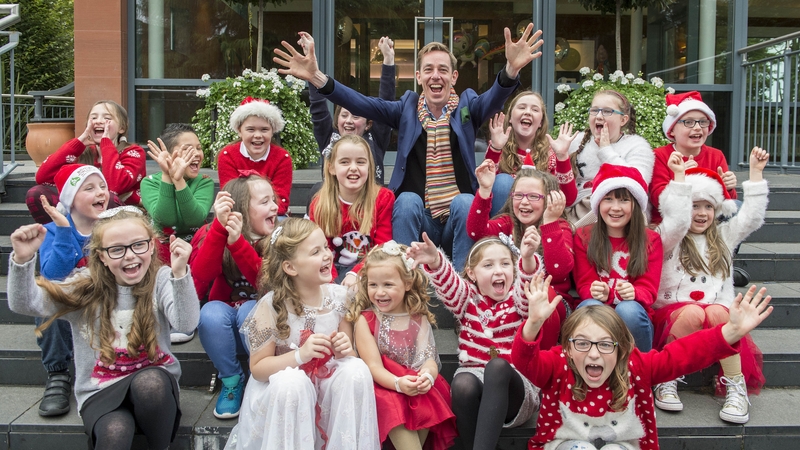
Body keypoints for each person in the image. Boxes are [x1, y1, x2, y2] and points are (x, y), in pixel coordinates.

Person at [273, 27, 544, 271]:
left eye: (442, 69)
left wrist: (510, 70)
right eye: (428, 69)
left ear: (454, 76)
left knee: (464, 201)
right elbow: (360, 103)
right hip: (418, 218)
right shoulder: (405, 109)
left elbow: (495, 97)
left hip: (456, 221)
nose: (435, 76)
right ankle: (402, 277)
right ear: (418, 76)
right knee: (406, 200)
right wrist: (317, 78)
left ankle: (464, 284)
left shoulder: (467, 107)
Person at [7, 206, 199, 450]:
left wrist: (180, 273)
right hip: (100, 392)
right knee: (114, 430)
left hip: (154, 392)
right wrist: (23, 260)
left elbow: (186, 323)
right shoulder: (85, 285)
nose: (130, 255)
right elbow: (26, 304)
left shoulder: (161, 279)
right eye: (117, 249)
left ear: (151, 245)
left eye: (138, 245)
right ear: (101, 256)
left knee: (150, 383)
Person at [511, 274, 772, 450]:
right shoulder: (558, 365)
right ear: (567, 348)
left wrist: (731, 332)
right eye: (582, 343)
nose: (593, 354)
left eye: (605, 344)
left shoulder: (637, 366)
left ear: (622, 349)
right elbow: (525, 363)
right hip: (565, 443)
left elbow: (685, 354)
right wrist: (533, 324)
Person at [225, 218, 379, 449]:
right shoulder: (272, 306)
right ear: (291, 267)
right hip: (285, 394)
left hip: (327, 387)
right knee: (292, 382)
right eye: (316, 251)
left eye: (326, 247)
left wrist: (345, 349)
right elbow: (258, 369)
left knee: (355, 369)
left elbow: (347, 354)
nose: (327, 255)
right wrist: (299, 356)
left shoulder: (339, 298)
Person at [652, 147, 770, 424]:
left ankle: (734, 386)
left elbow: (751, 217)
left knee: (721, 313)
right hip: (674, 315)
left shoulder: (724, 236)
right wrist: (679, 180)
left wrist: (755, 174)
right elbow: (678, 218)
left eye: (708, 206)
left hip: (714, 315)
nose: (702, 213)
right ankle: (668, 377)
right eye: (695, 205)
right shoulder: (669, 237)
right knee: (694, 312)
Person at [406, 231, 551, 450]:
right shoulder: (468, 299)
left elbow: (526, 286)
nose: (499, 270)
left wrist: (528, 258)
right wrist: (436, 261)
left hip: (515, 387)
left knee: (497, 366)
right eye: (488, 265)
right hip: (476, 381)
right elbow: (449, 285)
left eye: (505, 264)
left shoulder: (518, 299)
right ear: (471, 273)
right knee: (463, 383)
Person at [348, 240, 458, 450]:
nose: (379, 292)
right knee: (394, 409)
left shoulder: (418, 318)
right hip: (383, 387)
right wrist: (398, 384)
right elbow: (373, 367)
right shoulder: (367, 320)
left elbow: (427, 358)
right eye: (373, 285)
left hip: (415, 386)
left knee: (428, 395)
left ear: (407, 284)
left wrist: (427, 375)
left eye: (388, 285)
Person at [189, 175, 279, 419]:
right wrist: (219, 229)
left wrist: (238, 243)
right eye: (265, 202)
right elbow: (201, 274)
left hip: (265, 334)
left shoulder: (279, 238)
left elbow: (266, 283)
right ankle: (231, 379)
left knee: (251, 306)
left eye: (274, 200)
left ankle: (260, 376)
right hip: (225, 333)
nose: (275, 207)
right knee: (210, 312)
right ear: (240, 209)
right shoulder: (211, 233)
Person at [34, 164, 109, 417]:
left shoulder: (112, 226)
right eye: (89, 188)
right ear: (71, 199)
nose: (100, 193)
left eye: (103, 186)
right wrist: (65, 231)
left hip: (106, 301)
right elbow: (53, 275)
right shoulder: (53, 231)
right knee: (48, 301)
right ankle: (58, 374)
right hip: (71, 301)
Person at [572, 164, 662, 351]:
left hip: (634, 314)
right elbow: (584, 285)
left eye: (623, 200)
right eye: (608, 199)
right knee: (589, 307)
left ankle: (641, 368)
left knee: (627, 309)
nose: (615, 208)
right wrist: (596, 291)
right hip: (599, 307)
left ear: (635, 204)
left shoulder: (651, 240)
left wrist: (635, 293)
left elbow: (649, 289)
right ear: (598, 203)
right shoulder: (583, 236)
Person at [468, 161, 575, 307]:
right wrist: (485, 190)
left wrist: (550, 223)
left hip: (550, 301)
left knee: (540, 297)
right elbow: (477, 232)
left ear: (550, 200)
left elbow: (559, 271)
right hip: (511, 301)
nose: (524, 202)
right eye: (518, 195)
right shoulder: (508, 222)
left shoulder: (560, 227)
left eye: (533, 196)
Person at [27, 100, 146, 224]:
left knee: (107, 197)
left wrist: (106, 144)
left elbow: (115, 187)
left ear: (121, 128)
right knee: (36, 193)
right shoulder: (83, 152)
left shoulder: (133, 152)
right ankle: (61, 235)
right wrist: (76, 145)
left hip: (122, 215)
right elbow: (43, 177)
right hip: (82, 212)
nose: (99, 121)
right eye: (94, 117)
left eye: (107, 118)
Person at [308, 34, 395, 186]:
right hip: (335, 206)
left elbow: (386, 103)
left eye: (355, 116)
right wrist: (311, 74)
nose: (348, 121)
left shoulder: (376, 139)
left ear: (368, 124)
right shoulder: (329, 138)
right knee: (317, 189)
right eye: (344, 115)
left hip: (370, 206)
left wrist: (388, 59)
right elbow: (318, 109)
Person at [308, 134, 394, 286]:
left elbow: (382, 246)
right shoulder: (320, 204)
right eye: (344, 162)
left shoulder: (383, 198)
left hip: (372, 266)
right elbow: (320, 252)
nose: (353, 168)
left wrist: (357, 273)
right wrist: (332, 282)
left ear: (369, 167)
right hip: (332, 269)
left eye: (360, 162)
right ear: (332, 167)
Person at [567, 90, 654, 227]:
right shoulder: (575, 142)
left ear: (623, 119)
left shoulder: (638, 146)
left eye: (607, 111)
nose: (599, 116)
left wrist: (606, 150)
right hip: (577, 212)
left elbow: (638, 184)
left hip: (620, 215)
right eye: (594, 111)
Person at [648, 91, 737, 224]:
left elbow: (728, 203)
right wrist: (680, 178)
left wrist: (728, 187)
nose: (697, 127)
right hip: (671, 224)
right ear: (672, 129)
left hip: (707, 224)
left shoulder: (716, 155)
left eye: (703, 122)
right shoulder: (659, 156)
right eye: (688, 122)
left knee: (739, 208)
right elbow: (658, 200)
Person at [484, 90, 579, 214]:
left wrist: (562, 157)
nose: (528, 112)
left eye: (535, 110)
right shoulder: (498, 147)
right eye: (522, 107)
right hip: (503, 222)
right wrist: (496, 149)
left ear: (540, 122)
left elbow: (568, 200)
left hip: (538, 222)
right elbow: (485, 187)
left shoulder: (551, 152)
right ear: (511, 118)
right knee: (503, 181)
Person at [142, 123, 214, 264]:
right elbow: (165, 219)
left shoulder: (204, 181)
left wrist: (178, 179)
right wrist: (167, 175)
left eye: (199, 148)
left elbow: (195, 219)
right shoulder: (149, 182)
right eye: (187, 149)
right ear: (168, 155)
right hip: (159, 254)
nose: (196, 153)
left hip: (197, 251)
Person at [217, 97, 292, 217]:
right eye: (251, 129)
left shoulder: (282, 157)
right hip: (240, 215)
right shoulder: (228, 156)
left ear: (272, 131)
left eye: (264, 130)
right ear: (239, 131)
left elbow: (280, 202)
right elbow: (231, 197)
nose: (258, 135)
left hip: (272, 215)